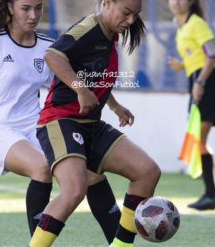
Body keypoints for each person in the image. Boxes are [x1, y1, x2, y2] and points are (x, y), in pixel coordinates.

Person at [0, 0, 121, 243]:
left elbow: (78, 80)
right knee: (42, 168)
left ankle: (121, 242)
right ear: (9, 7)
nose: (33, 15)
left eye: (38, 8)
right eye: (25, 8)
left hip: (36, 126)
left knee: (91, 172)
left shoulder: (48, 48)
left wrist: (115, 105)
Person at [29, 1, 161, 246]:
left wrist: (113, 105)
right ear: (108, 3)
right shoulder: (90, 27)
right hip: (61, 120)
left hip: (91, 124)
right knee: (74, 190)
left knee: (147, 172)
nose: (131, 21)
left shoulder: (111, 33)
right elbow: (52, 55)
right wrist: (80, 90)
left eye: (136, 15)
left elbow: (92, 73)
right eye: (127, 13)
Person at [167, 0, 215, 210]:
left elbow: (213, 53)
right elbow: (197, 59)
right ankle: (211, 194)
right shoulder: (181, 29)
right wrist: (182, 65)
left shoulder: (196, 23)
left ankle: (212, 194)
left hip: (208, 85)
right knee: (199, 140)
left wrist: (200, 82)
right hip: (199, 84)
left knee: (200, 139)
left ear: (191, 1)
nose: (176, 2)